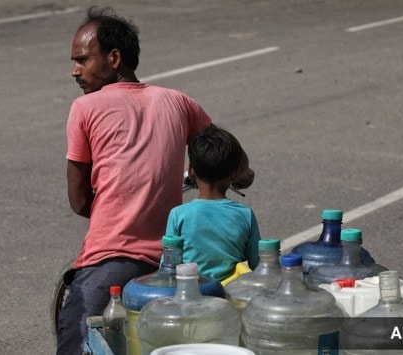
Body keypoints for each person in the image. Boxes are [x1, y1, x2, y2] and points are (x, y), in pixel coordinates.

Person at [58, 7, 253, 355]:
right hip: (178, 259)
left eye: (82, 60)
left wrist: (117, 208)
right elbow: (228, 154)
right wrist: (241, 175)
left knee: (79, 339)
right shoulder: (179, 101)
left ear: (114, 58)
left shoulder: (84, 108)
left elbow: (78, 200)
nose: (75, 70)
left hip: (111, 255)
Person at [165, 125, 261, 281]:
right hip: (231, 297)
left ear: (191, 170)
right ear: (235, 173)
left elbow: (169, 268)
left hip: (191, 295)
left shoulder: (178, 215)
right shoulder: (245, 215)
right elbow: (259, 266)